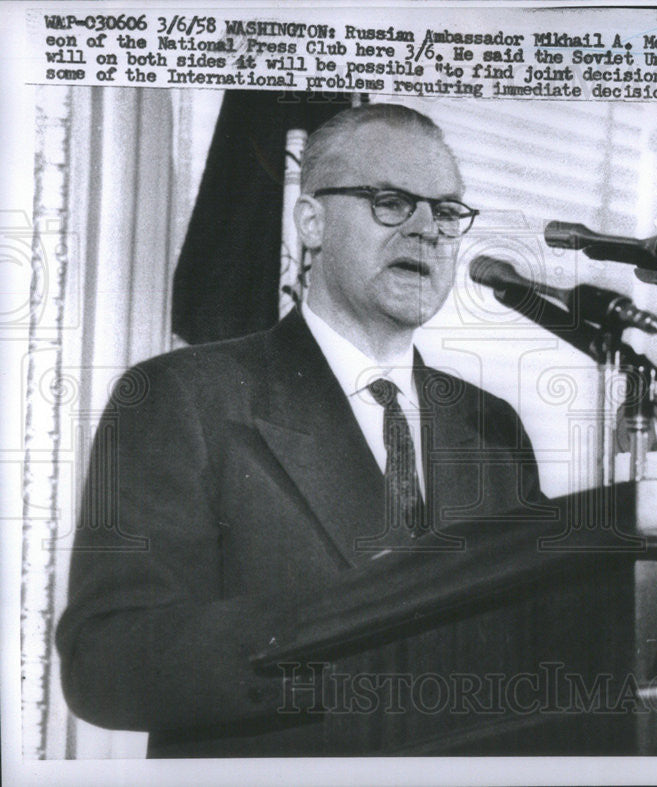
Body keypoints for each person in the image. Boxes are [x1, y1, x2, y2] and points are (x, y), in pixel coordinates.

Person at [56, 103, 543, 757]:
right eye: (393, 201)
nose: (428, 230)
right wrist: (343, 636)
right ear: (311, 222)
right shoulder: (184, 398)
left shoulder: (492, 426)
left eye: (447, 211)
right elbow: (106, 659)